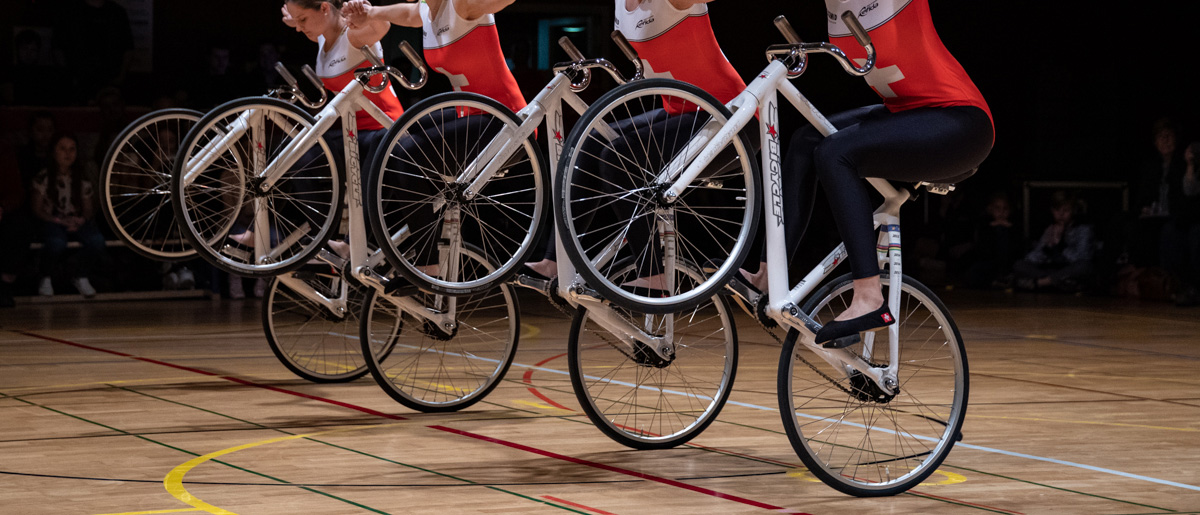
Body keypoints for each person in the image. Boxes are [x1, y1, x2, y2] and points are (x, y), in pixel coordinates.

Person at [740, 0, 993, 347]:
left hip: (960, 122)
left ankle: (869, 296)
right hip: (904, 114)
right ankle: (770, 276)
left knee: (835, 153)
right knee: (805, 140)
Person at [523, 0, 748, 283]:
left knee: (618, 156)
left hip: (728, 116)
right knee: (592, 140)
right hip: (681, 112)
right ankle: (556, 261)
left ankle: (652, 273)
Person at [340, 0, 526, 276]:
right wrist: (367, 13)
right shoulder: (426, 10)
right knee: (389, 138)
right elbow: (406, 12)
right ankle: (365, 241)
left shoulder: (465, 5)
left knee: (406, 155)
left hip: (504, 123)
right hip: (470, 116)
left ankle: (428, 260)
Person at [29, 133, 107, 298]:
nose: (68, 153)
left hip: (75, 220)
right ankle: (45, 276)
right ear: (54, 152)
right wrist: (57, 220)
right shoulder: (43, 177)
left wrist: (81, 220)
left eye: (72, 149)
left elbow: (88, 207)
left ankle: (80, 275)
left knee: (97, 241)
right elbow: (37, 208)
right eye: (63, 149)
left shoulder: (82, 176)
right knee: (56, 242)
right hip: (52, 220)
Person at [1012, 191, 1095, 292]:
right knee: (1019, 265)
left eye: (1066, 210)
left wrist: (1061, 247)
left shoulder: (1083, 230)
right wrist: (1048, 247)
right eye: (1057, 210)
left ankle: (1040, 283)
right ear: (1052, 211)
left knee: (1085, 268)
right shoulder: (1050, 230)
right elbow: (1032, 258)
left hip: (1069, 269)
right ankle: (1058, 283)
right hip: (1053, 271)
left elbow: (1083, 258)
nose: (1061, 214)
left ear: (1073, 211)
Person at [1160, 141, 1200, 306]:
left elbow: (1191, 191)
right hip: (1190, 219)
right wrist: (1190, 164)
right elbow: (1187, 191)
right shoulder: (1181, 168)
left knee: (1197, 235)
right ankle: (1181, 285)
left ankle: (1196, 287)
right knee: (1170, 232)